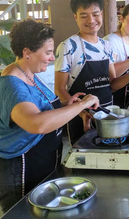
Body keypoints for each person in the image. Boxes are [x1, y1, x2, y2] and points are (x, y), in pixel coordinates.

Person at [0, 19, 99, 215]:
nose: (51, 58)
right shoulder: (13, 85)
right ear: (27, 52)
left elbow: (42, 108)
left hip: (43, 164)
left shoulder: (29, 74)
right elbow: (37, 123)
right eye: (47, 53)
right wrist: (82, 104)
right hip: (22, 172)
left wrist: (68, 107)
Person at [55, 0, 129, 145]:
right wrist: (81, 111)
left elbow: (111, 84)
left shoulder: (107, 46)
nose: (91, 20)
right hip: (81, 119)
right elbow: (60, 90)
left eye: (95, 14)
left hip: (107, 116)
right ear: (75, 17)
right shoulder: (68, 47)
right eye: (84, 15)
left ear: (102, 15)